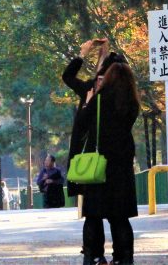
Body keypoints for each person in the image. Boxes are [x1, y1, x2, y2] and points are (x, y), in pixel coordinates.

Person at [63, 39, 123, 265]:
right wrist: (85, 53)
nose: (98, 80)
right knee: (95, 211)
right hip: (91, 159)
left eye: (102, 76)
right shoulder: (95, 90)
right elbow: (68, 77)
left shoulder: (107, 96)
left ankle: (101, 255)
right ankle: (99, 254)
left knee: (101, 211)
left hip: (102, 158)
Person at [73, 62, 139, 265]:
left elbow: (81, 123)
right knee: (120, 216)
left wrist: (88, 102)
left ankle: (92, 256)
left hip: (99, 164)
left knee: (93, 214)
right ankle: (124, 257)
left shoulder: (100, 99)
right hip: (122, 165)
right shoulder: (132, 102)